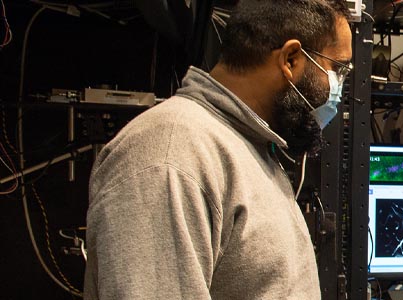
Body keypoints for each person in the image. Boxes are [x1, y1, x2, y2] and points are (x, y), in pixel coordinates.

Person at [84, 0, 351, 298]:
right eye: (337, 69)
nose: (338, 87)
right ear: (290, 59)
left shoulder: (247, 146)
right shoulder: (169, 155)